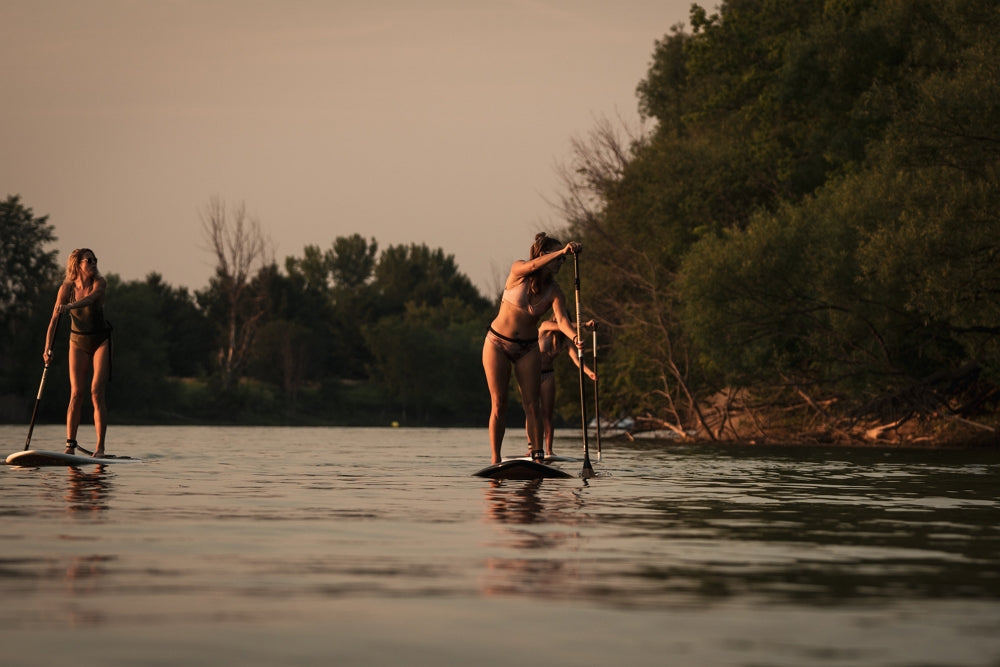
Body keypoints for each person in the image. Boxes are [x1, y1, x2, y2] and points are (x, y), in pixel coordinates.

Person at [483, 232, 582, 465]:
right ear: (544, 255)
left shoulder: (555, 291)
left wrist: (575, 337)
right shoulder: (519, 270)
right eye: (558, 257)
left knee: (532, 404)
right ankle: (495, 459)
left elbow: (562, 321)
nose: (561, 262)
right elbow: (533, 266)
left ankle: (538, 457)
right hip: (497, 343)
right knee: (499, 403)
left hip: (527, 348)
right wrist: (563, 250)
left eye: (563, 259)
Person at [43, 248, 112, 458]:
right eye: (89, 260)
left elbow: (91, 299)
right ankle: (70, 445)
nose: (94, 263)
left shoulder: (100, 283)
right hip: (77, 342)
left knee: (96, 392)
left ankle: (100, 448)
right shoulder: (66, 288)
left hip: (100, 341)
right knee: (76, 393)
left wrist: (70, 306)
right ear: (77, 264)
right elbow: (54, 320)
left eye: (95, 260)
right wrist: (47, 348)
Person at [528, 318, 597, 458]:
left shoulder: (565, 341)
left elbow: (576, 359)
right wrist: (584, 324)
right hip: (532, 373)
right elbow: (562, 325)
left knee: (548, 414)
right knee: (532, 411)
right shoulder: (544, 327)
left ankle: (549, 450)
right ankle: (532, 448)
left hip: (548, 374)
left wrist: (590, 372)